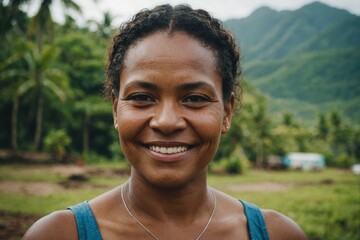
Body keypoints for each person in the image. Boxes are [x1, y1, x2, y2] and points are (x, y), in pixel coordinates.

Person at [23, 4, 307, 240]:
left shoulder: (278, 234)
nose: (167, 122)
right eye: (142, 96)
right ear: (115, 110)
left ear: (227, 112)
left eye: (195, 98)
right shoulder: (57, 234)